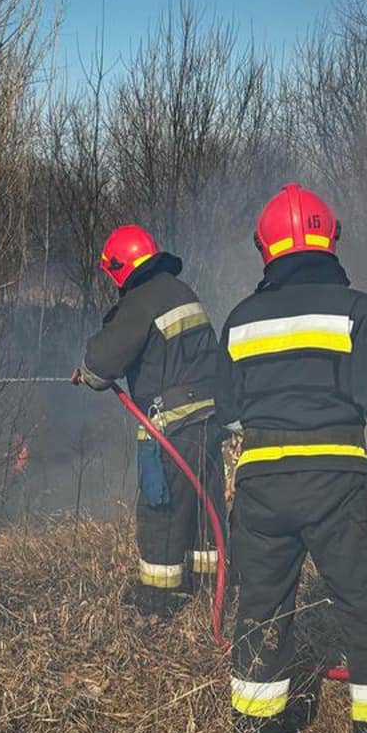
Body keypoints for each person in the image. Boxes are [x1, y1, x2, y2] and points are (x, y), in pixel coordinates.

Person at [215, 184, 367, 733]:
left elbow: (229, 413)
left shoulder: (239, 319)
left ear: (266, 248)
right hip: (339, 487)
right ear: (329, 240)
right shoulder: (358, 311)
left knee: (260, 610)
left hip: (260, 490)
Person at [72, 224, 227, 616]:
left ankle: (160, 598)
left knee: (162, 508)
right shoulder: (181, 291)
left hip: (172, 425)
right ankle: (210, 590)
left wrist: (87, 373)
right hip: (211, 419)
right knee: (204, 506)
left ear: (121, 268)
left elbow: (100, 362)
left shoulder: (141, 300)